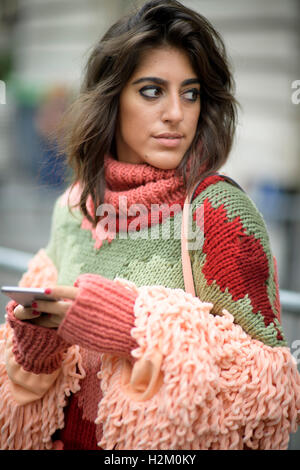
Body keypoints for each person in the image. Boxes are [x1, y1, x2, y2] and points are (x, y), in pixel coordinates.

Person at [0, 0, 299, 451]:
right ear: (111, 98)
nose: (177, 113)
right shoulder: (73, 205)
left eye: (191, 93)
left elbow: (271, 393)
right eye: (152, 90)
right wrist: (38, 351)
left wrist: (134, 326)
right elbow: (28, 399)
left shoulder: (220, 213)